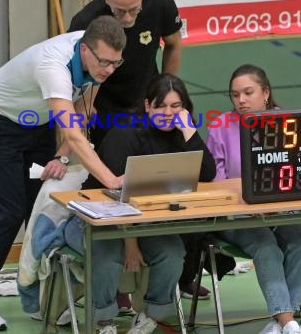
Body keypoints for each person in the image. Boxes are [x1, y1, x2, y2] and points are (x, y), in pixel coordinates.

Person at [0, 16, 126, 331]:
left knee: (41, 205)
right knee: (11, 210)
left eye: (116, 63)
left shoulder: (96, 51)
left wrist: (61, 157)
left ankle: (43, 298)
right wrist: (111, 181)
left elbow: (84, 108)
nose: (108, 69)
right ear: (86, 51)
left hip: (36, 122)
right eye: (104, 62)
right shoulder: (54, 67)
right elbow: (76, 135)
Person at [63, 73, 215, 334]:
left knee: (172, 253)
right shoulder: (125, 134)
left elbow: (208, 174)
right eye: (161, 106)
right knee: (108, 255)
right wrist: (130, 242)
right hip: (95, 221)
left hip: (143, 223)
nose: (168, 113)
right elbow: (112, 195)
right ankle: (104, 321)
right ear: (147, 106)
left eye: (176, 106)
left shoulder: (181, 136)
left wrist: (190, 129)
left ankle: (150, 316)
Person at [206, 64, 301, 334]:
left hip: (280, 213)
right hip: (237, 217)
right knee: (266, 246)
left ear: (265, 92)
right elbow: (214, 184)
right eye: (235, 95)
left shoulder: (286, 121)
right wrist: (245, 204)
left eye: (248, 92)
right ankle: (288, 322)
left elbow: (299, 172)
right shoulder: (220, 126)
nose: (241, 100)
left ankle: (281, 321)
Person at [67, 0, 183, 148]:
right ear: (107, 0)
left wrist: (166, 88)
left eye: (134, 9)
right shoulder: (85, 21)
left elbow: (174, 43)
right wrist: (84, 104)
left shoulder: (161, 3)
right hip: (104, 102)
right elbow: (76, 69)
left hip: (146, 96)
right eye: (120, 11)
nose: (128, 18)